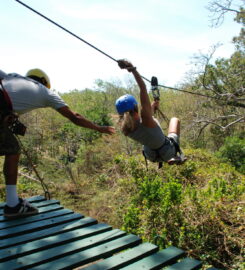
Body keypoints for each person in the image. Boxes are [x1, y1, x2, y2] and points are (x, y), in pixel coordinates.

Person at [0, 68, 115, 218]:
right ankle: (13, 204)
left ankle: (13, 203)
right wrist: (99, 128)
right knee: (12, 150)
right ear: (43, 82)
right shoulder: (47, 93)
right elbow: (75, 117)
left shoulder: (13, 77)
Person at [115, 59, 186, 168]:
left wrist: (153, 106)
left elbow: (146, 121)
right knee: (174, 120)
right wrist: (132, 69)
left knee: (150, 140)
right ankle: (174, 156)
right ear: (135, 107)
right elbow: (142, 88)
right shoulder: (146, 118)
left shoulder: (126, 129)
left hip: (151, 155)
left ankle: (169, 157)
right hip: (167, 151)